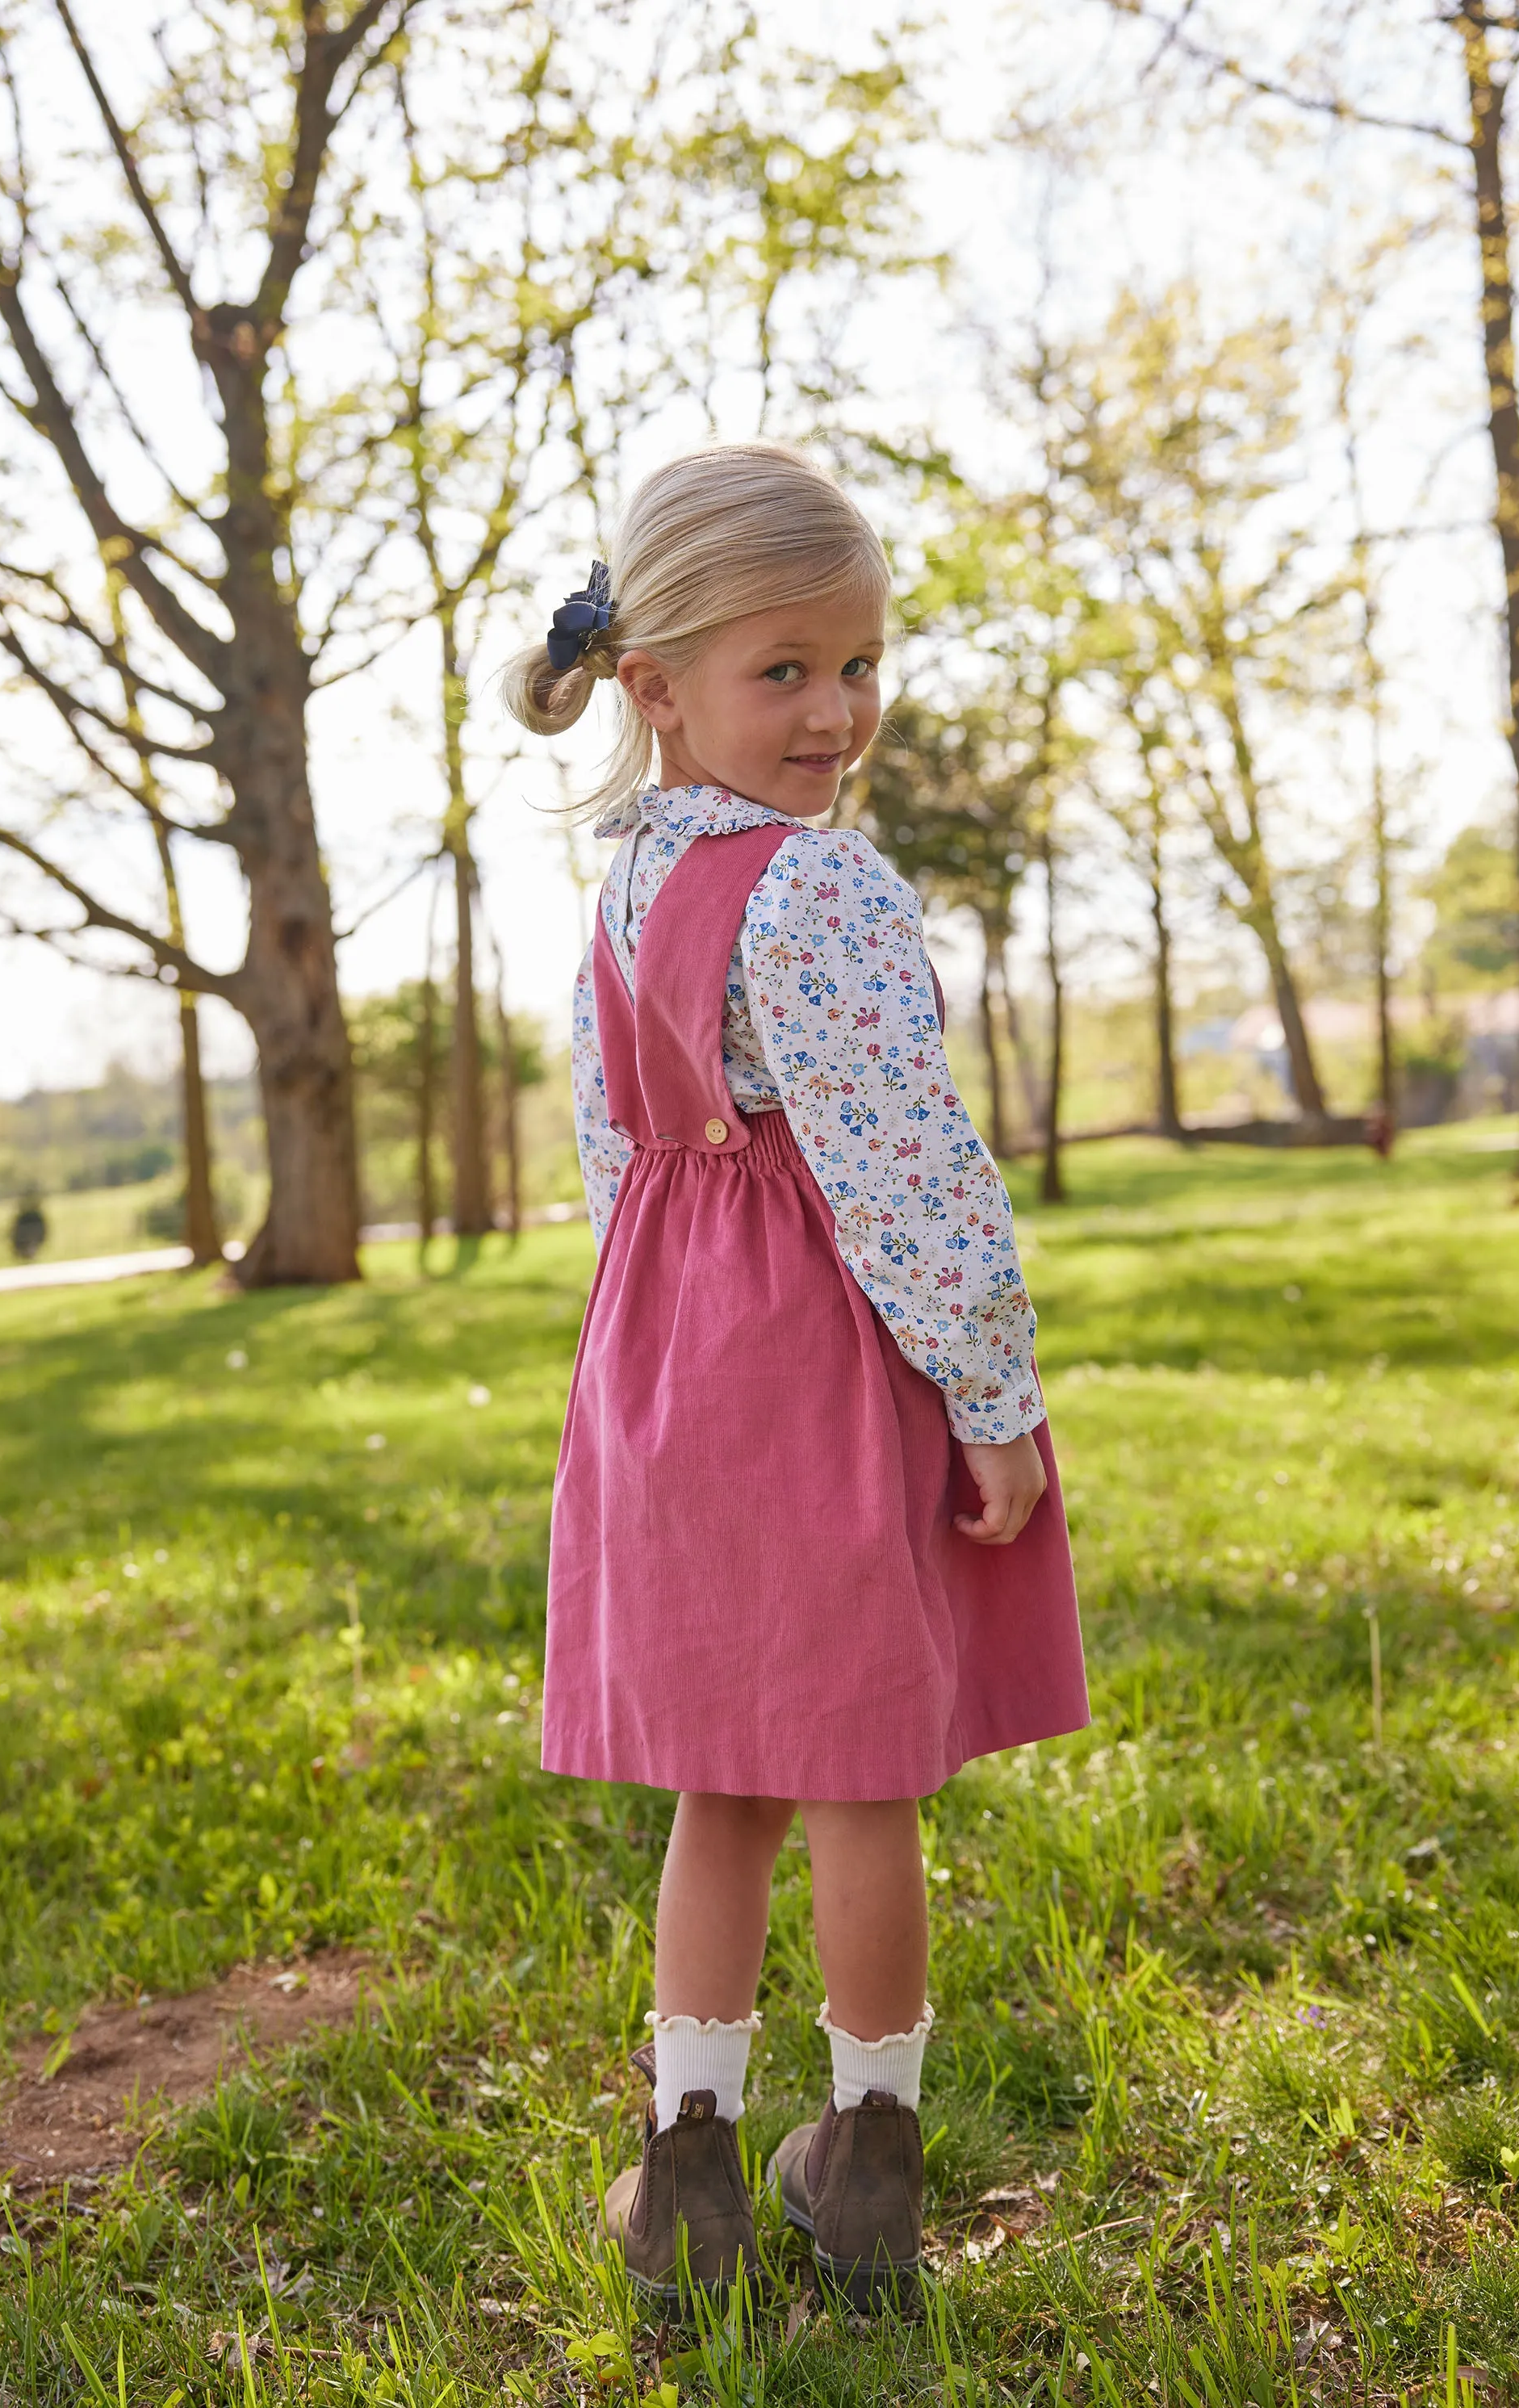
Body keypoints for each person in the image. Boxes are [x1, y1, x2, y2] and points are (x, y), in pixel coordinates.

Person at [504, 444, 1086, 2311]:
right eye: (783, 670)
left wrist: (640, 1364)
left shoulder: (622, 894)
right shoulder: (818, 893)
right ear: (655, 685)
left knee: (720, 1787)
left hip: (672, 1378)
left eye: (857, 665)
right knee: (851, 1788)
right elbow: (905, 1170)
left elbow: (621, 1168)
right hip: (818, 1379)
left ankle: (686, 2168)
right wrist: (985, 1393)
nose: (832, 712)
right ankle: (862, 2161)